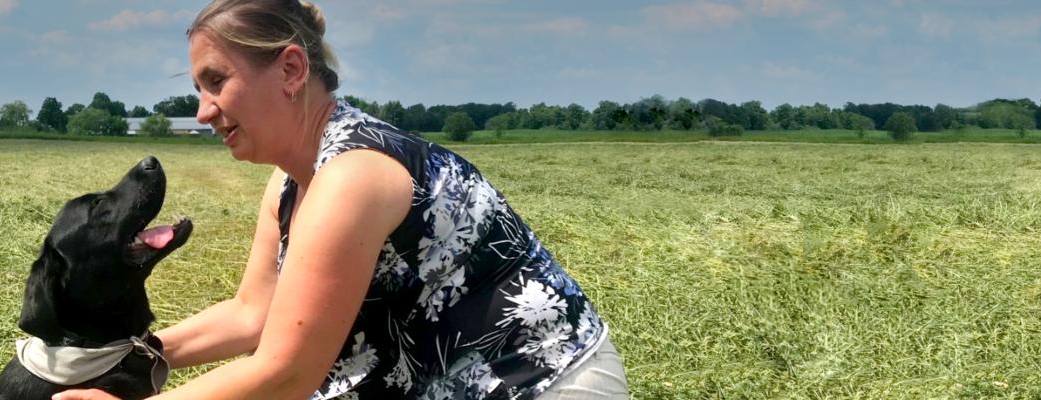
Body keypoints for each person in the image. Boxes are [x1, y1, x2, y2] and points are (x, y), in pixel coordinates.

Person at [53, 1, 627, 399]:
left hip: (541, 383)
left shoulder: (352, 178)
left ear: (291, 69)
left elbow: (287, 374)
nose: (204, 111)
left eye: (216, 82)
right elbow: (254, 314)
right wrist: (127, 357)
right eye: (197, 90)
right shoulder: (291, 181)